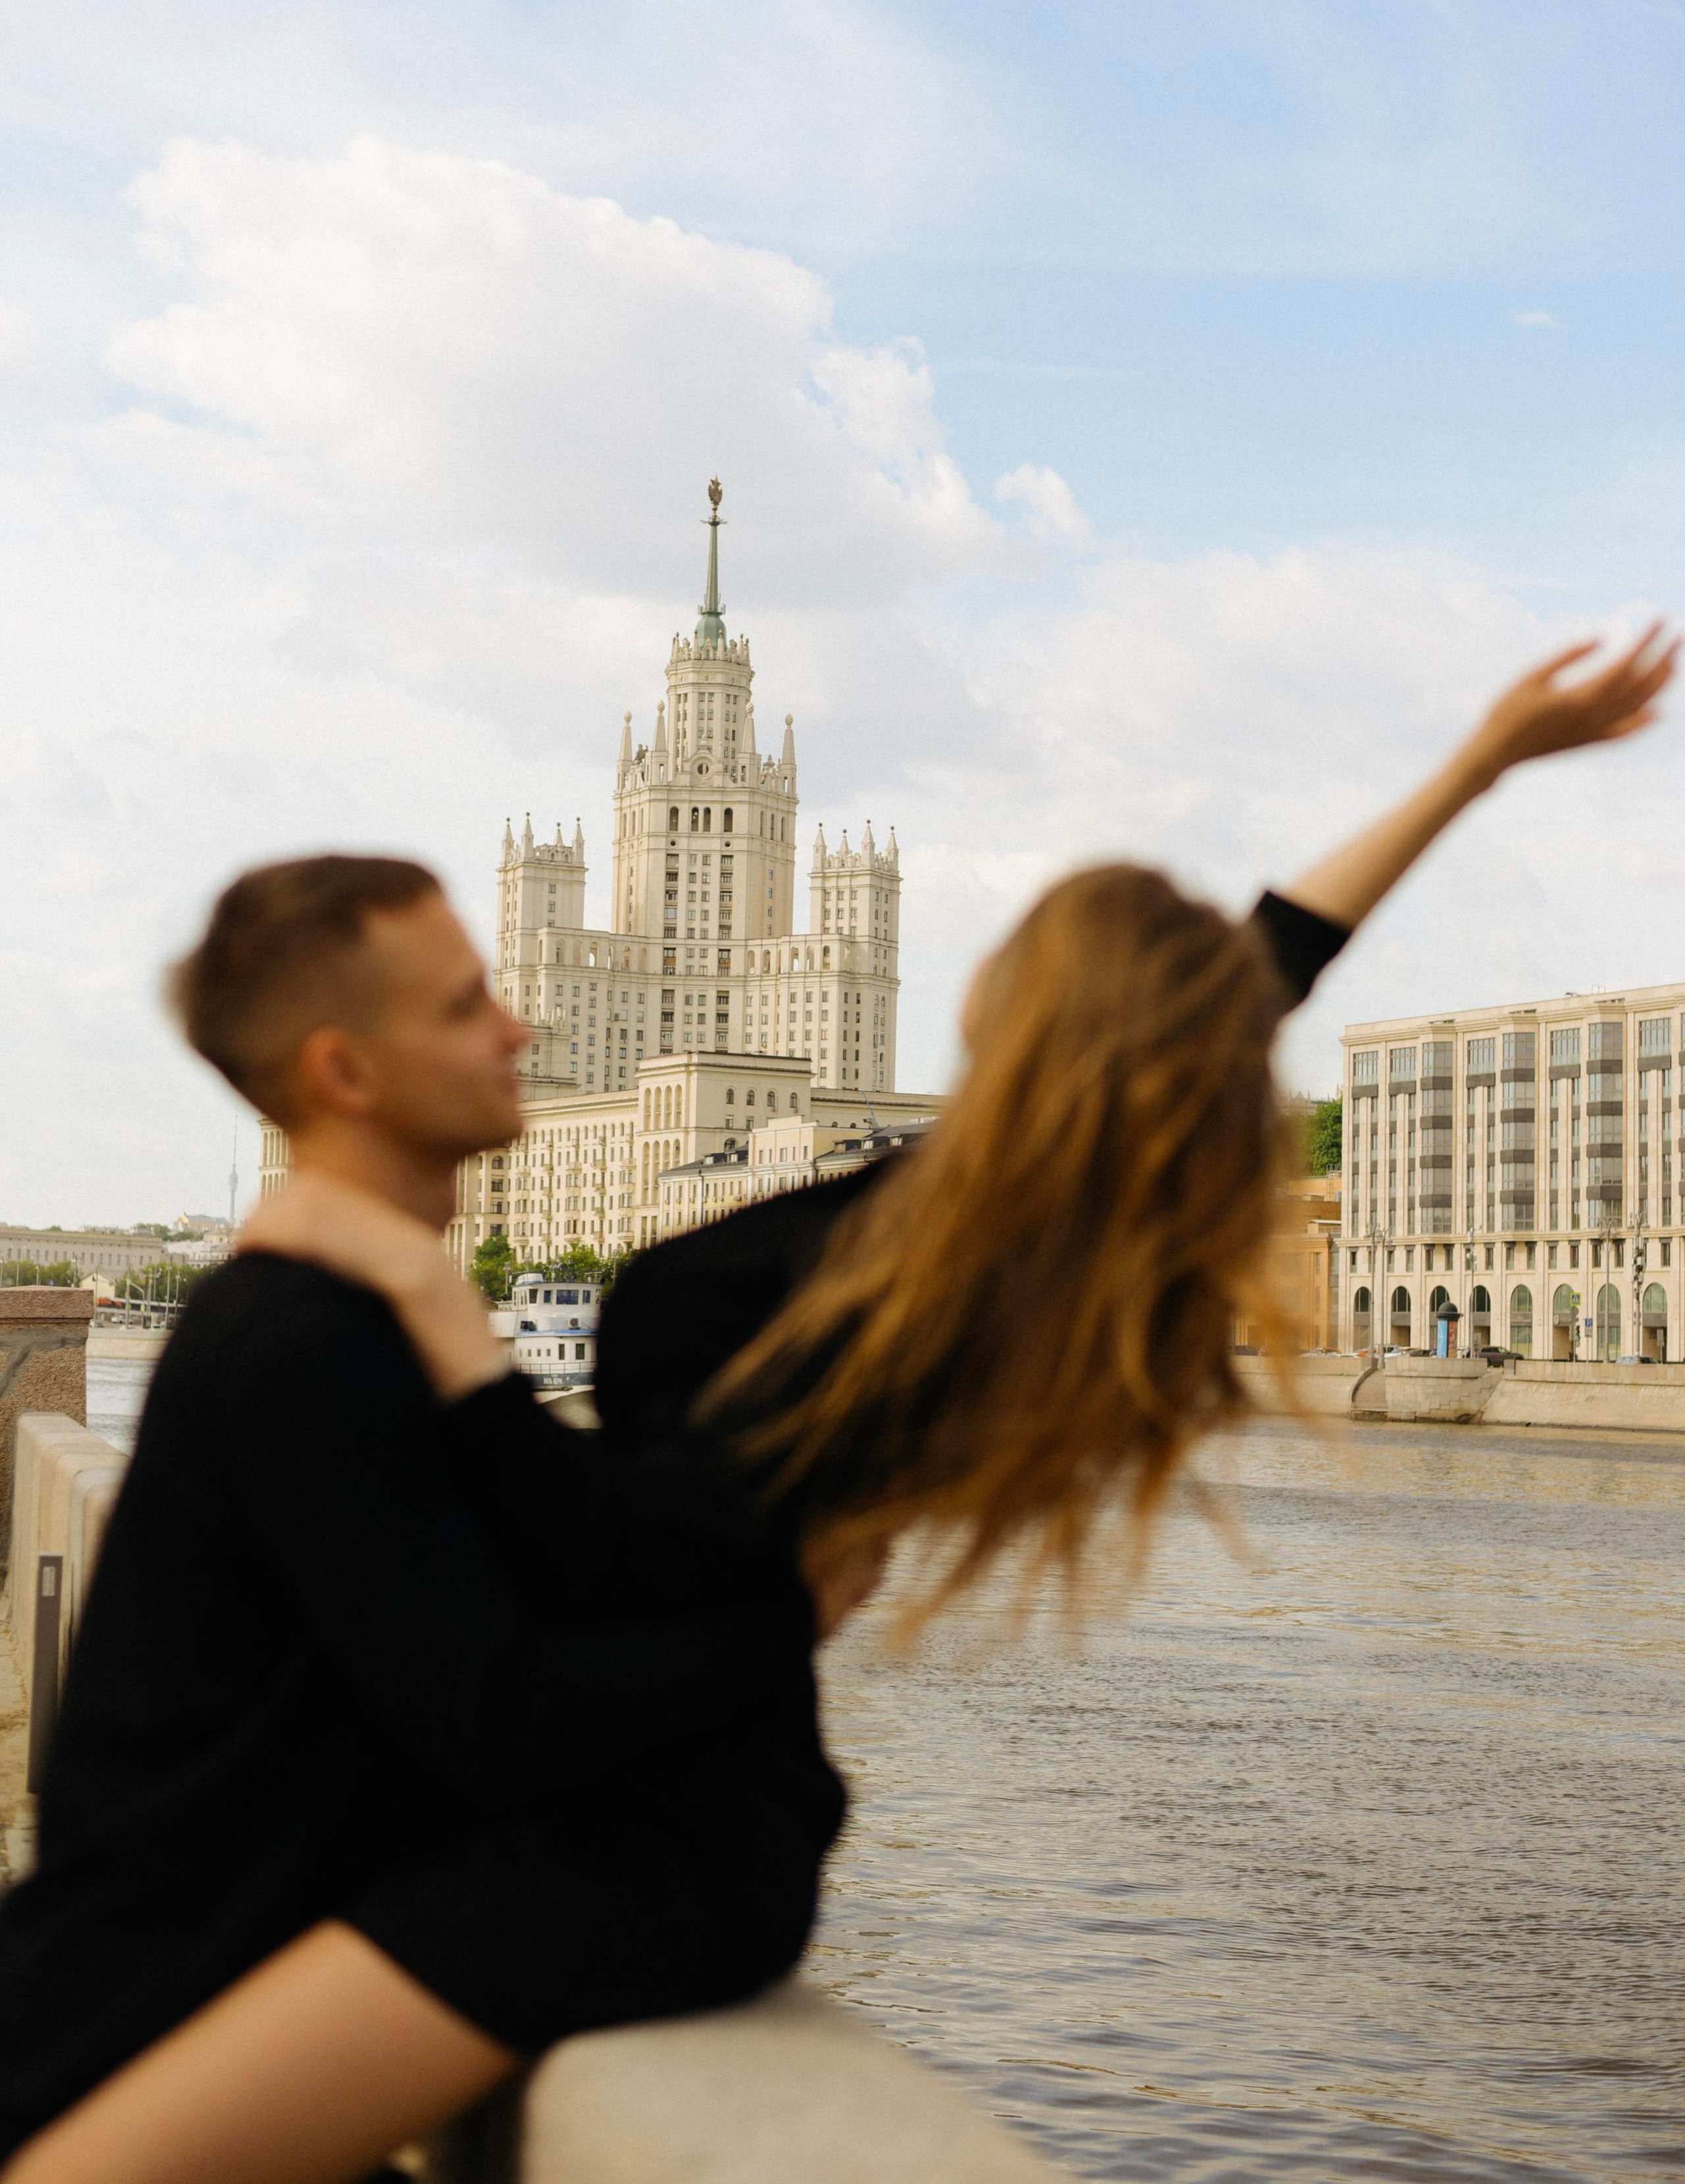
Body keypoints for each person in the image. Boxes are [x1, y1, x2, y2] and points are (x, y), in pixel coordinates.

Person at [5, 624, 1672, 2184]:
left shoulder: (916, 1244)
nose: (515, 1020)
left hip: (651, 1833)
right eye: (467, 1003)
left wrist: (450, 1331)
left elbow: (533, 1639)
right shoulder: (928, 1224)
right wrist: (1472, 771)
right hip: (628, 1797)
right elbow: (1261, 968)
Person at [0, 859, 843, 2184]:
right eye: (464, 1008)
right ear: (345, 1071)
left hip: (196, 1981)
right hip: (140, 2022)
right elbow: (496, 1711)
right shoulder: (303, 1344)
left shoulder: (352, 1318)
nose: (517, 1029)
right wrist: (786, 1608)